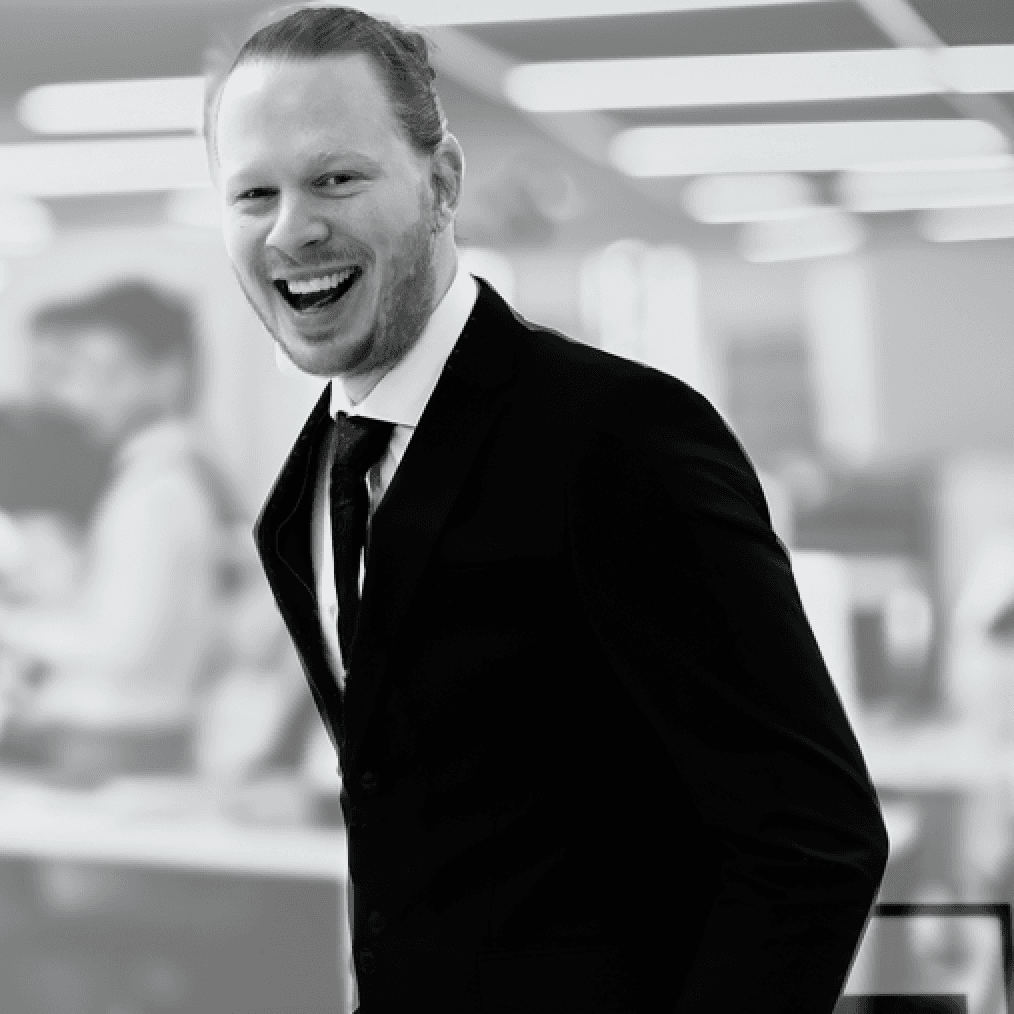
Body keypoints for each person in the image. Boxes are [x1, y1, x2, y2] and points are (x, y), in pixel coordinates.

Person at [206, 6, 890, 1012]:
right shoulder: (304, 489)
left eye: (336, 178)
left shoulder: (617, 437)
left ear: (441, 184)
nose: (292, 226)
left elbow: (812, 845)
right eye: (253, 192)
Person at [0, 280, 230, 784]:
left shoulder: (156, 492)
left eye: (108, 373)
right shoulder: (149, 478)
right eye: (77, 373)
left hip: (110, 747)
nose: (81, 395)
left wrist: (15, 625)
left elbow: (123, 645)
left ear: (167, 376)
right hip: (114, 742)